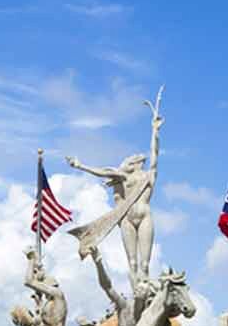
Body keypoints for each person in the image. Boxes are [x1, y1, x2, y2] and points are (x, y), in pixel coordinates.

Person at [66, 94, 162, 288]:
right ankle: (136, 294)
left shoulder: (149, 175)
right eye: (135, 158)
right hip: (126, 219)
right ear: (133, 164)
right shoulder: (124, 177)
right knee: (132, 262)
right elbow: (102, 172)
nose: (138, 158)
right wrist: (80, 166)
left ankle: (145, 291)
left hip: (144, 216)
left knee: (144, 264)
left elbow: (155, 153)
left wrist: (155, 130)